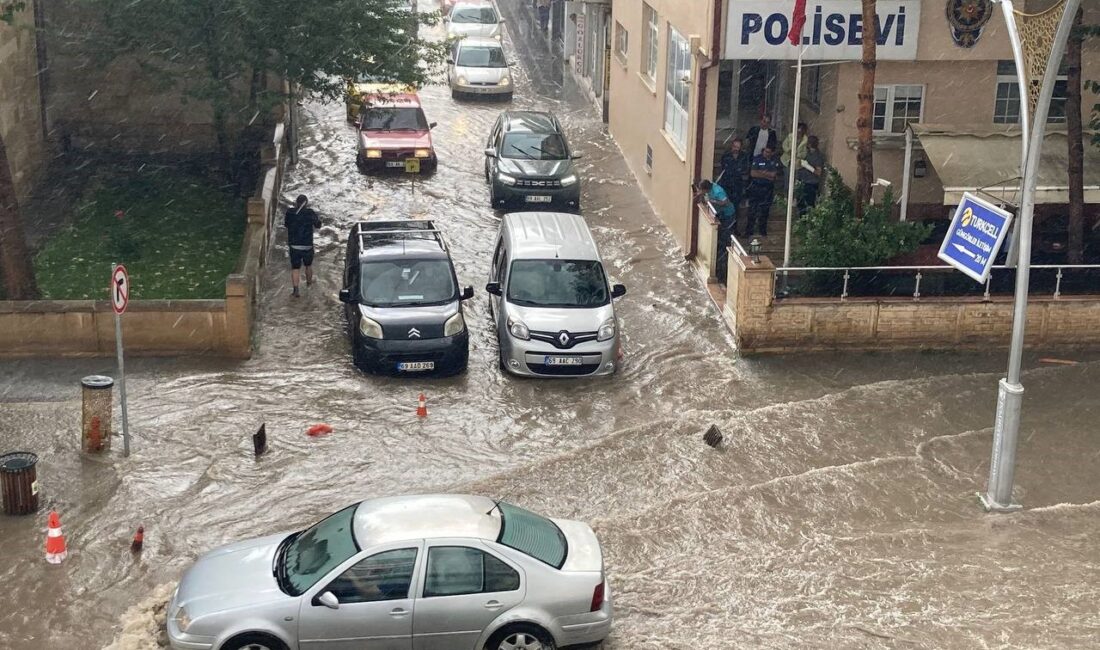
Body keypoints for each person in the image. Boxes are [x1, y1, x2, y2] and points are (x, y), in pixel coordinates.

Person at [694, 179, 736, 282]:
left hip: (728, 214)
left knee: (726, 236)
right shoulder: (707, 190)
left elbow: (725, 202)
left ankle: (727, 250)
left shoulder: (718, 191)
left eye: (702, 191)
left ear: (706, 189)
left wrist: (712, 201)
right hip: (720, 214)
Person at [284, 194, 322, 297]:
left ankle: (296, 290)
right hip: (307, 245)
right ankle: (309, 284)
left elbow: (286, 224)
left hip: (294, 245)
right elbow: (318, 225)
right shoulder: (310, 213)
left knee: (295, 268)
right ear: (306, 203)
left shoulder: (290, 212)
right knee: (308, 266)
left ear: (296, 203)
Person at [745, 145, 780, 237]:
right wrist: (766, 175)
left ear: (772, 153)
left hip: (767, 188)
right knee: (752, 210)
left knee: (765, 210)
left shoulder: (774, 160)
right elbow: (753, 173)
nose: (766, 153)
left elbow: (773, 175)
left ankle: (762, 231)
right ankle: (749, 231)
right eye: (765, 151)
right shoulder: (757, 159)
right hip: (756, 187)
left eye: (768, 152)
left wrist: (760, 172)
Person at [718, 138, 750, 235]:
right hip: (727, 184)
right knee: (726, 206)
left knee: (736, 208)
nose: (736, 149)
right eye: (735, 146)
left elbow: (744, 168)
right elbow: (726, 169)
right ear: (732, 146)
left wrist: (737, 171)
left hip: (737, 185)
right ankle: (725, 228)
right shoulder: (726, 156)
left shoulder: (744, 156)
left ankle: (735, 229)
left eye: (738, 147)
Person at [798, 135, 826, 216]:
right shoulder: (806, 154)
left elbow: (818, 172)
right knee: (801, 205)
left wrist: (808, 166)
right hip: (802, 182)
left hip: (811, 184)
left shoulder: (818, 156)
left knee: (809, 205)